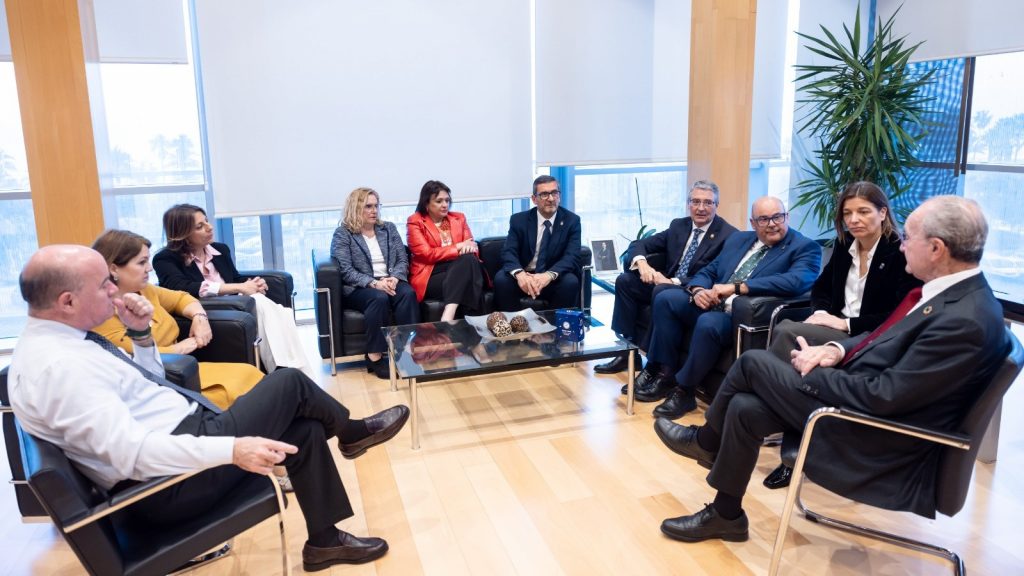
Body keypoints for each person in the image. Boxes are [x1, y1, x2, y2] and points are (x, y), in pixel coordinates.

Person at [9, 244, 412, 570]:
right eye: (103, 286)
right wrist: (232, 450)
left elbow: (141, 386)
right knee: (289, 383)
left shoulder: (65, 342)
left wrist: (141, 338)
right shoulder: (61, 369)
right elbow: (131, 455)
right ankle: (352, 433)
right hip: (167, 486)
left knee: (304, 430)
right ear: (66, 301)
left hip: (180, 444)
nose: (115, 291)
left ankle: (324, 542)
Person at [652, 195, 1009, 545]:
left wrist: (811, 373)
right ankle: (726, 515)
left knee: (752, 362)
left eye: (909, 238)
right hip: (862, 402)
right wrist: (834, 350)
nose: (901, 246)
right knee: (745, 408)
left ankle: (705, 442)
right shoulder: (951, 296)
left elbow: (884, 397)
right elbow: (886, 339)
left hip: (880, 440)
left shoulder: (966, 320)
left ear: (936, 249)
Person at [761, 181, 922, 489]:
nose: (854, 220)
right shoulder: (844, 244)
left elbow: (895, 317)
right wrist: (822, 313)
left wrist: (845, 325)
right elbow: (821, 288)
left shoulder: (899, 253)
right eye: (847, 213)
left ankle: (778, 429)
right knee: (793, 338)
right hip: (830, 326)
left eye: (863, 211)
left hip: (869, 337)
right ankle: (790, 443)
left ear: (883, 212)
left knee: (786, 333)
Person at [637, 196, 822, 419]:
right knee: (666, 298)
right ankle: (665, 373)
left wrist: (738, 288)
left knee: (709, 322)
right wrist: (698, 291)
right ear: (753, 224)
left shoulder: (805, 247)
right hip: (711, 301)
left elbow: (797, 281)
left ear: (787, 217)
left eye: (777, 217)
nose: (772, 223)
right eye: (763, 219)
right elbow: (710, 270)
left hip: (739, 314)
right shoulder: (739, 239)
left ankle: (684, 391)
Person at [92, 229, 264, 410]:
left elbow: (182, 298)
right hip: (167, 378)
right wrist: (181, 347)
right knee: (245, 393)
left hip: (186, 367)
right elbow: (136, 357)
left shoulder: (144, 290)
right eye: (142, 262)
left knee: (250, 374)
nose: (149, 268)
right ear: (113, 268)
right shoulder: (102, 313)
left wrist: (200, 317)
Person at [152, 204, 316, 381]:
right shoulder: (165, 259)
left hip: (239, 306)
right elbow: (182, 288)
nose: (209, 227)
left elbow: (234, 278)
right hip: (207, 312)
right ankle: (293, 372)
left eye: (206, 221)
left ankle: (287, 371)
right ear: (183, 234)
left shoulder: (220, 250)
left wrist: (252, 284)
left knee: (271, 307)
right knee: (266, 306)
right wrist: (239, 288)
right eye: (200, 226)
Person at [594, 180, 738, 375]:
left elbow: (717, 274)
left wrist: (673, 282)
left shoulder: (728, 236)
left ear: (716, 206)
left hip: (692, 292)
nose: (701, 208)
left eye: (707, 203)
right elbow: (639, 244)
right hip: (663, 286)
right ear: (689, 204)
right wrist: (643, 264)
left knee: (662, 290)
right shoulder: (679, 225)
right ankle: (626, 352)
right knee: (625, 281)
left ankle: (653, 362)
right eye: (695, 202)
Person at [330, 187, 419, 378]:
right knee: (378, 299)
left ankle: (405, 353)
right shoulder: (343, 234)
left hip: (390, 279)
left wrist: (394, 278)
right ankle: (375, 356)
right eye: (368, 206)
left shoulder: (388, 228)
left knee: (408, 294)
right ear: (355, 208)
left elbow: (403, 259)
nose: (374, 211)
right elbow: (346, 271)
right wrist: (374, 283)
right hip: (360, 287)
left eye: (376, 206)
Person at [493, 175, 582, 311]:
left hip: (552, 277)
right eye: (544, 194)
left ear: (559, 195)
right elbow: (508, 252)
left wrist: (548, 275)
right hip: (525, 276)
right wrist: (520, 274)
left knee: (570, 282)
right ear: (534, 199)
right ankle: (515, 328)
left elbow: (572, 256)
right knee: (501, 280)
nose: (551, 199)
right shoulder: (519, 220)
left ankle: (555, 329)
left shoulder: (572, 221)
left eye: (554, 193)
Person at [406, 180, 487, 321]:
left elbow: (472, 248)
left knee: (469, 260)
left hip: (460, 268)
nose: (445, 205)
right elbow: (427, 255)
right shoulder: (415, 221)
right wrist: (457, 247)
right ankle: (476, 331)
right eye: (439, 201)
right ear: (426, 203)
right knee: (470, 274)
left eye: (447, 200)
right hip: (431, 274)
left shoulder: (458, 218)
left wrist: (463, 248)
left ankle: (449, 311)